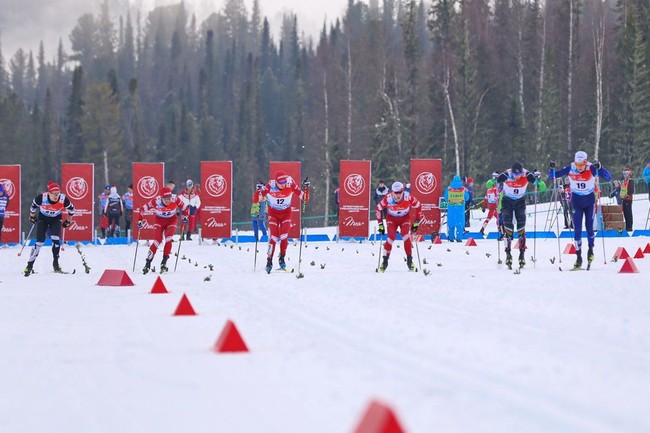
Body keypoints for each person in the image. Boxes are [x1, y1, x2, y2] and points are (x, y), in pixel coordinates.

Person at [548, 151, 611, 269]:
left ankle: (590, 250)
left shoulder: (591, 167)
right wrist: (551, 169)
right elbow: (553, 176)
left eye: (582, 165)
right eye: (578, 165)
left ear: (586, 162)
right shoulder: (571, 167)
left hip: (589, 201)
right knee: (577, 227)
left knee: (589, 226)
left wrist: (600, 168)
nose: (580, 168)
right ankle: (578, 257)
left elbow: (608, 176)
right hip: (576, 201)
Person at [256, 171, 309, 273]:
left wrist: (306, 188)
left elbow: (305, 198)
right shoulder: (270, 185)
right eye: (280, 182)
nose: (283, 184)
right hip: (273, 214)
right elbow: (259, 198)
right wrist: (259, 190)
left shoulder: (290, 183)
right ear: (276, 181)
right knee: (274, 237)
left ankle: (282, 258)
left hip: (286, 213)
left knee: (284, 236)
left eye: (284, 181)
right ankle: (269, 260)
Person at [496, 162, 543, 269]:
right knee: (508, 227)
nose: (517, 176)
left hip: (520, 202)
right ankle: (508, 254)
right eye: (515, 174)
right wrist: (495, 178)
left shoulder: (526, 174)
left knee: (521, 227)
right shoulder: (507, 174)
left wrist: (538, 179)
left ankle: (522, 255)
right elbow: (494, 182)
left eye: (519, 174)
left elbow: (541, 186)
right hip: (507, 202)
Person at [23, 182, 75, 276]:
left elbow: (72, 210)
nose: (56, 196)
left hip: (56, 219)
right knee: (40, 242)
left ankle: (56, 263)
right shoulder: (42, 198)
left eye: (57, 194)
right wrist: (32, 216)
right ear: (49, 193)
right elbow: (33, 206)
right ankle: (29, 266)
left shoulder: (63, 199)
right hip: (43, 219)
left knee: (55, 238)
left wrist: (68, 221)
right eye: (54, 194)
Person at [135, 187, 189, 274]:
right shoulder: (155, 201)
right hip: (159, 220)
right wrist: (140, 220)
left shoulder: (175, 199)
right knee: (157, 240)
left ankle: (164, 262)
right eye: (165, 199)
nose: (168, 200)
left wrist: (185, 216)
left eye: (169, 198)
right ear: (161, 198)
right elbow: (142, 209)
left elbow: (186, 208)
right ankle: (148, 263)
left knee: (168, 238)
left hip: (172, 220)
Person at [375, 181, 423, 271]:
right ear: (392, 191)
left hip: (404, 218)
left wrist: (416, 223)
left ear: (403, 191)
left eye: (400, 192)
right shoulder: (388, 198)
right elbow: (378, 209)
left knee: (406, 236)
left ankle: (409, 261)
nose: (398, 195)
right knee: (391, 238)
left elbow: (419, 206)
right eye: (395, 192)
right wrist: (380, 224)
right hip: (391, 219)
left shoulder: (408, 197)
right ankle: (385, 261)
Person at [443, 175, 469, 242]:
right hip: (460, 209)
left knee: (451, 224)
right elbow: (467, 197)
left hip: (451, 209)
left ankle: (451, 238)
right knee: (460, 224)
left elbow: (446, 197)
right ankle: (459, 238)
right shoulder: (463, 189)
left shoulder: (449, 188)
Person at [620, 167, 635, 232]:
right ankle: (627, 226)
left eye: (626, 173)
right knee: (625, 213)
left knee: (628, 213)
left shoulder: (630, 180)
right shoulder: (624, 181)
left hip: (628, 199)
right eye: (624, 173)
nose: (625, 175)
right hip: (624, 199)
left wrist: (628, 195)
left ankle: (629, 227)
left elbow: (631, 190)